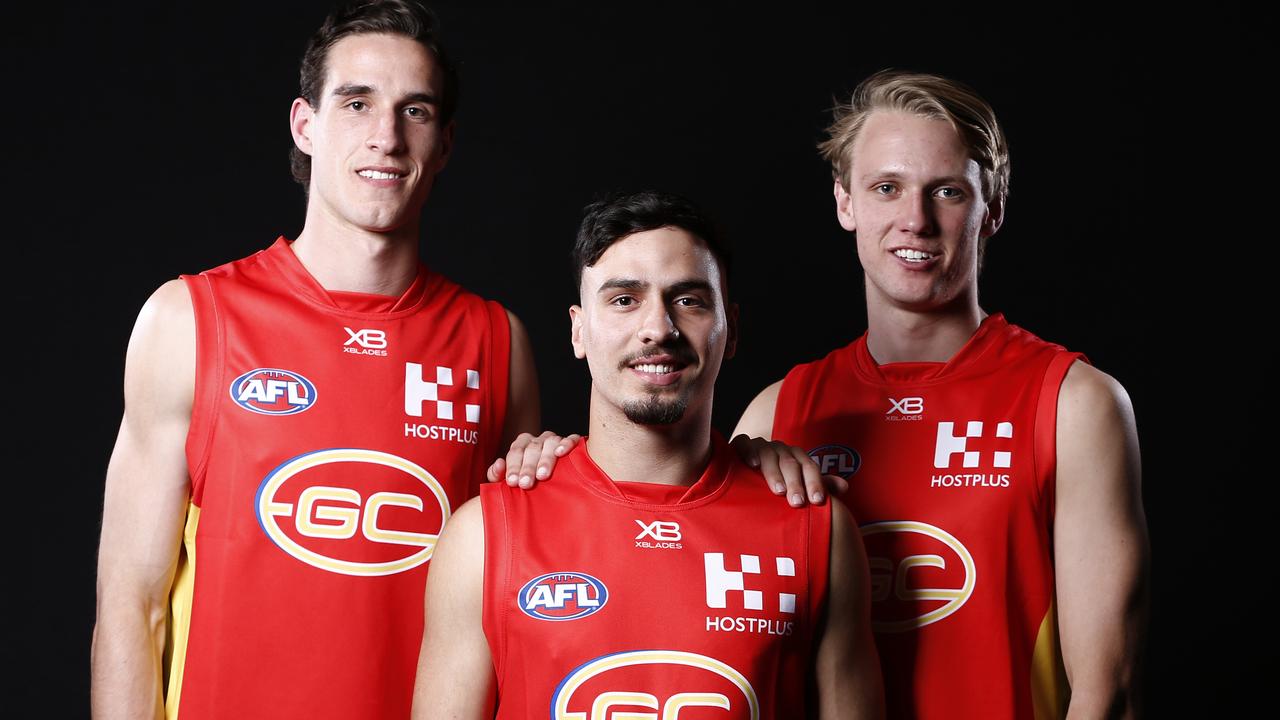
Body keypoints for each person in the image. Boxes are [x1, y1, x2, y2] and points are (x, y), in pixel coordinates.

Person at [90, 2, 539, 718]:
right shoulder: (191, 320)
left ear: (446, 143)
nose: (386, 137)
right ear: (306, 124)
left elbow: (522, 607)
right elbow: (130, 603)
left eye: (414, 111)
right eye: (357, 103)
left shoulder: (497, 344)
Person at [732, 70, 1149, 718]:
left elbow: (1107, 691)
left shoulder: (1073, 403)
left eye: (947, 191)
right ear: (846, 202)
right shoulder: (778, 413)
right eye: (887, 187)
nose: (915, 220)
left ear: (994, 207)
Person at [412, 191, 884, 719]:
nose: (658, 328)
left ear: (730, 330)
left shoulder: (816, 531)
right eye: (623, 300)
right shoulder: (483, 536)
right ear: (578, 330)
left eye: (689, 300)